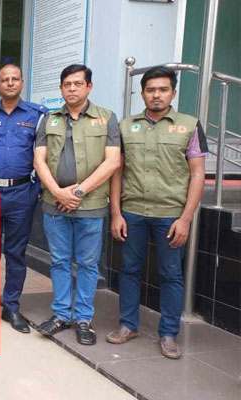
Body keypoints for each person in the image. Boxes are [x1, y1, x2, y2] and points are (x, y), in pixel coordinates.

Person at [107, 66, 207, 359]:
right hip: (133, 212)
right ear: (142, 94)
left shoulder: (189, 125)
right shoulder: (126, 126)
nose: (156, 95)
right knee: (129, 269)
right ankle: (128, 325)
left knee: (171, 274)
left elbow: (198, 174)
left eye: (163, 89)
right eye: (150, 90)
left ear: (173, 93)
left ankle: (169, 333)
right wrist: (116, 213)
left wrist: (186, 219)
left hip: (170, 215)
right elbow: (117, 171)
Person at [33, 64, 121, 345]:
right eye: (67, 84)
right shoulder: (48, 119)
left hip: (91, 205)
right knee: (59, 261)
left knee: (87, 264)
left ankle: (83, 318)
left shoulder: (107, 118)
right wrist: (58, 192)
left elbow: (113, 161)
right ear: (61, 88)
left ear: (89, 87)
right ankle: (61, 314)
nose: (72, 88)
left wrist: (79, 191)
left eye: (78, 83)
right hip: (54, 204)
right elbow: (39, 160)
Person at [0, 63, 47, 333]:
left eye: (14, 79)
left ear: (22, 82)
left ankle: (11, 307)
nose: (9, 83)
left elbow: (44, 156)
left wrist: (36, 189)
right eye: (4, 79)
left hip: (21, 194)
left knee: (16, 253)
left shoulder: (37, 115)